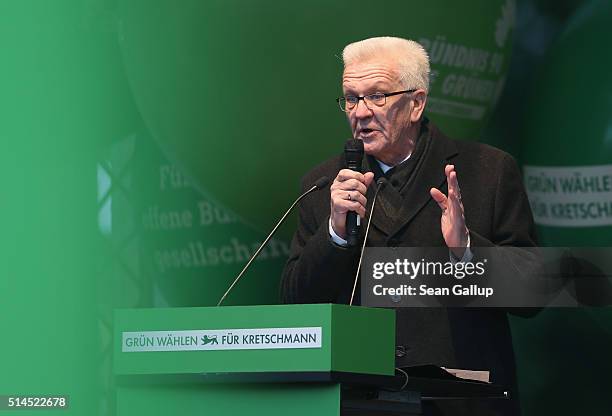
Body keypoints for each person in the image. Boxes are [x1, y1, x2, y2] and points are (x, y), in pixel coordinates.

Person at [280, 37, 536, 415]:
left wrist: (467, 250)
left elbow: (535, 295)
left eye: (377, 96)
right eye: (351, 98)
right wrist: (333, 234)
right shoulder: (324, 187)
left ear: (416, 103)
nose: (360, 112)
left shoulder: (487, 171)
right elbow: (296, 305)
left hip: (461, 400)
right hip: (359, 400)